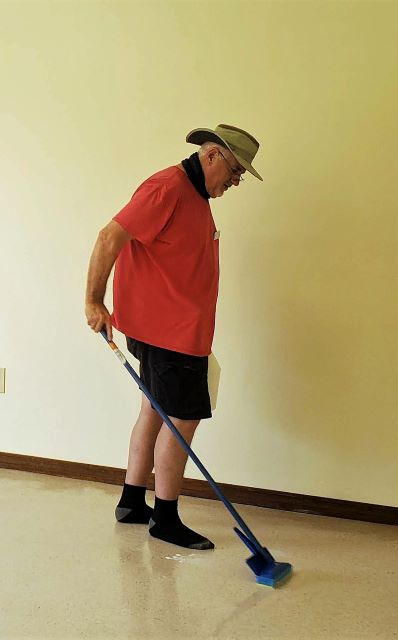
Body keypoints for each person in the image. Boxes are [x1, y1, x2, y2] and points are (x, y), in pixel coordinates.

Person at [85, 124, 262, 550]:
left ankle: (131, 502)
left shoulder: (194, 195)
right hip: (169, 333)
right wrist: (93, 300)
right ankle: (165, 518)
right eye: (235, 171)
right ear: (213, 155)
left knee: (153, 410)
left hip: (171, 329)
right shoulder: (168, 188)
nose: (236, 181)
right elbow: (109, 236)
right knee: (181, 419)